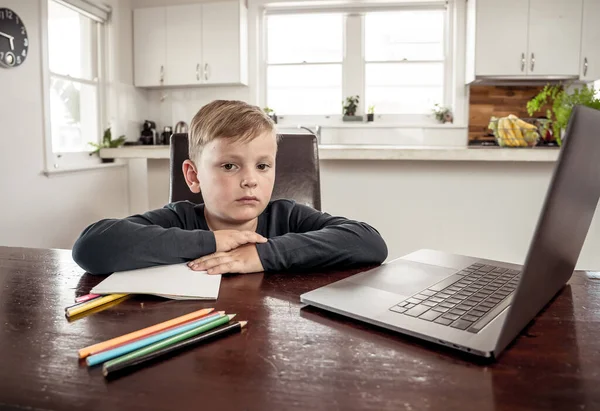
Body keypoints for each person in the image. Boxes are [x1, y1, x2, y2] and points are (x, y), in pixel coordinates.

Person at [72, 100, 388, 275]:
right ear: (193, 177)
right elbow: (91, 246)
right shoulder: (178, 219)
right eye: (229, 166)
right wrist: (211, 241)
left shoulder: (287, 218)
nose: (251, 179)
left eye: (263, 166)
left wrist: (264, 255)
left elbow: (370, 242)